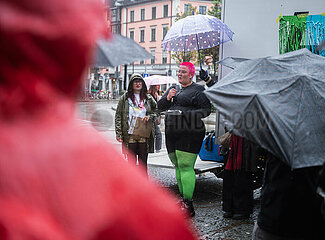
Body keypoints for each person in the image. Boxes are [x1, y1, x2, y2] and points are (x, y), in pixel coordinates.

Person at [0, 0, 197, 238]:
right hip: (130, 137)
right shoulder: (114, 185)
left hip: (146, 136)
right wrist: (121, 131)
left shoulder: (152, 98)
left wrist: (153, 116)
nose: (136, 85)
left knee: (141, 165)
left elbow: (157, 110)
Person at [158, 62, 212, 217]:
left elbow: (206, 110)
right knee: (177, 165)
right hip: (171, 131)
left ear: (191, 74)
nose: (179, 74)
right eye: (178, 71)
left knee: (186, 166)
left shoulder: (198, 90)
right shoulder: (173, 88)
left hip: (190, 132)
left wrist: (184, 113)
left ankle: (189, 205)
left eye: (183, 72)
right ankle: (182, 200)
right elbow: (160, 106)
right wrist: (168, 97)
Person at [115, 74, 158, 173]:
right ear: (131, 84)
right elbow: (118, 116)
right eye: (135, 82)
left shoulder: (148, 98)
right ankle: (132, 185)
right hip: (129, 134)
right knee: (131, 164)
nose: (138, 84)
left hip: (143, 133)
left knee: (143, 163)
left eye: (140, 82)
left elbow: (156, 111)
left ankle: (143, 186)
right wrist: (119, 134)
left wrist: (150, 117)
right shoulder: (124, 98)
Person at [148, 85, 163, 153]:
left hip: (155, 116)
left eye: (159, 85)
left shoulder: (158, 94)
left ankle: (157, 149)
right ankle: (154, 149)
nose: (158, 87)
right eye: (157, 85)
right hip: (151, 116)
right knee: (157, 134)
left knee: (157, 134)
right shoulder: (149, 94)